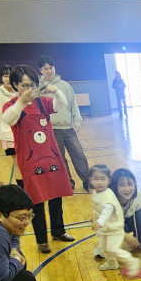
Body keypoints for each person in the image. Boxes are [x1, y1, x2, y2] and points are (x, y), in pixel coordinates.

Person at [1, 64, 75, 254]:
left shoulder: (42, 102)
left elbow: (61, 104)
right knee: (36, 202)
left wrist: (55, 91)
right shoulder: (11, 106)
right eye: (25, 85)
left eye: (32, 85)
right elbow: (8, 119)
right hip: (31, 162)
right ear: (15, 85)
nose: (29, 89)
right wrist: (21, 102)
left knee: (56, 197)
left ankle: (59, 231)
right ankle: (42, 240)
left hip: (51, 158)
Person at [38, 56, 90, 191]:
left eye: (51, 68)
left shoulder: (65, 85)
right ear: (40, 70)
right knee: (60, 159)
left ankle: (87, 181)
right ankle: (68, 183)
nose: (49, 71)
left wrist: (77, 121)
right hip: (51, 130)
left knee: (79, 155)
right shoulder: (38, 88)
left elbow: (73, 105)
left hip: (68, 128)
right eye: (45, 69)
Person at [89, 164, 141, 275]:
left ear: (109, 180)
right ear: (91, 180)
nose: (99, 182)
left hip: (114, 228)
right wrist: (94, 219)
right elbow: (96, 208)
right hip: (104, 229)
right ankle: (111, 263)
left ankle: (132, 262)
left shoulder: (108, 195)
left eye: (103, 179)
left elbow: (107, 211)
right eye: (96, 179)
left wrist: (99, 222)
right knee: (104, 249)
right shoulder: (96, 193)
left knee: (112, 249)